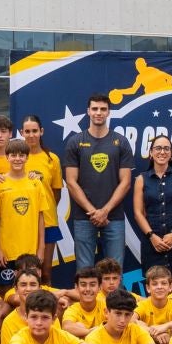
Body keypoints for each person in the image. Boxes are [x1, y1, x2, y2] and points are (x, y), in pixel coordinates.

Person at [64, 94, 136, 271]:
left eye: (103, 109)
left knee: (114, 271)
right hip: (83, 216)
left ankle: (115, 301)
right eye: (95, 109)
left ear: (108, 112)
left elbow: (126, 182)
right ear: (88, 111)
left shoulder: (121, 142)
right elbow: (71, 182)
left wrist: (105, 211)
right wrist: (93, 211)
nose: (99, 113)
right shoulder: (75, 142)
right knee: (84, 271)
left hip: (114, 217)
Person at [133, 133, 172, 280]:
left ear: (171, 154)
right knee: (155, 283)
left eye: (167, 149)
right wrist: (151, 236)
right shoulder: (141, 179)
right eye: (158, 148)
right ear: (151, 153)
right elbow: (138, 213)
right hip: (151, 242)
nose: (162, 152)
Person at [0, 138, 47, 284]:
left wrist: (41, 248)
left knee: (30, 289)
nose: (17, 159)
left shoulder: (35, 183)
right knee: (4, 290)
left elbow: (41, 218)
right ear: (7, 157)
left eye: (21, 155)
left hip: (30, 251)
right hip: (7, 252)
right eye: (13, 155)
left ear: (27, 158)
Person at [19, 113, 66, 273]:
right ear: (21, 133)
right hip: (23, 223)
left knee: (45, 272)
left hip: (48, 222)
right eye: (27, 131)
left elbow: (56, 194)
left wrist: (45, 208)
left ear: (42, 131)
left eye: (35, 131)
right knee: (24, 273)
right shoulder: (16, 158)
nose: (31, 135)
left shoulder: (52, 159)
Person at [135, 263, 172, 344]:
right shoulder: (143, 305)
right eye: (155, 284)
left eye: (164, 283)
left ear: (170, 287)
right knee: (138, 325)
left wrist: (165, 326)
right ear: (148, 288)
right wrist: (155, 333)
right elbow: (130, 320)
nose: (159, 287)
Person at [61, 264, 108, 337]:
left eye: (92, 285)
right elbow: (66, 327)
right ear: (76, 287)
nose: (88, 289)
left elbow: (129, 318)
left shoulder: (107, 304)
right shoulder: (73, 309)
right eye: (83, 285)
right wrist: (90, 332)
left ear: (99, 287)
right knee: (79, 325)